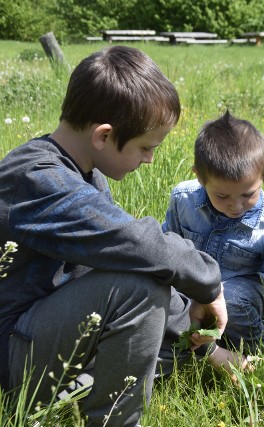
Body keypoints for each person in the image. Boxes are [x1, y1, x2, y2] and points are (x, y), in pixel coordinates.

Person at [0, 46, 227, 427]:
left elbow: (133, 256)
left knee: (159, 318)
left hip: (46, 334)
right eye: (146, 147)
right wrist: (210, 284)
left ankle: (85, 386)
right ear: (104, 135)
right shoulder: (36, 179)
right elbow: (140, 244)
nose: (149, 159)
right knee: (139, 289)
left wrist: (198, 335)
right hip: (11, 356)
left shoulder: (83, 173)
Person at [162, 111, 264, 372]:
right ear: (200, 177)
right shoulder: (183, 199)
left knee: (230, 299)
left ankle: (245, 352)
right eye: (222, 196)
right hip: (191, 290)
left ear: (263, 175)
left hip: (238, 297)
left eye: (248, 194)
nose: (236, 205)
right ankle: (191, 346)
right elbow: (168, 247)